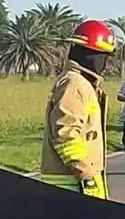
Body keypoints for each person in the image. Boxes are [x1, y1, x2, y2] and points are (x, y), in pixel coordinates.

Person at [38, 19, 115, 199]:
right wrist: (87, 176)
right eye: (103, 56)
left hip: (72, 184)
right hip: (71, 186)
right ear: (91, 54)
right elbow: (65, 135)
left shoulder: (81, 83)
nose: (104, 63)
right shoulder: (76, 84)